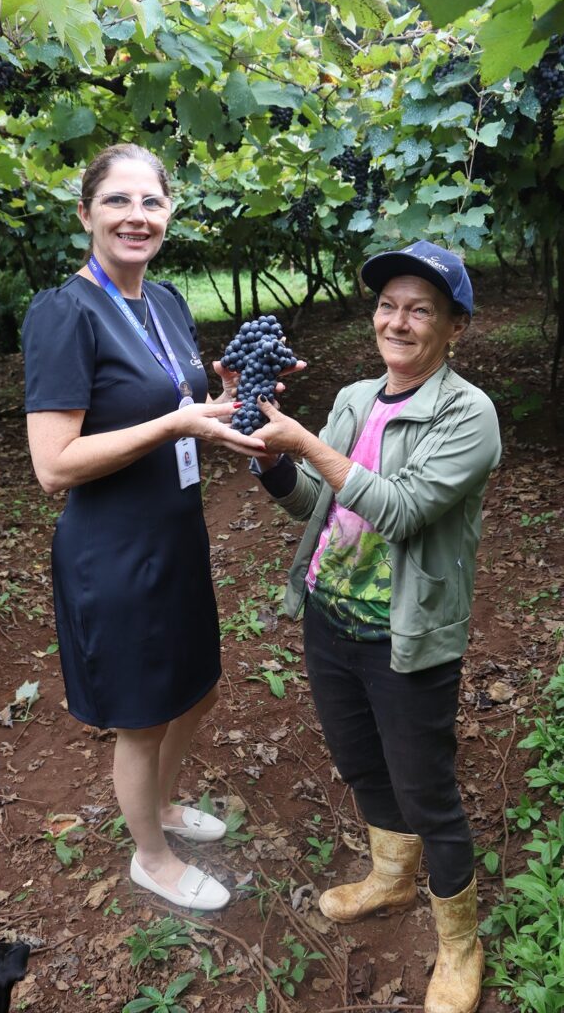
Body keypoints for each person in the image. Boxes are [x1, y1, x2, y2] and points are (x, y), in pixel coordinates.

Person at [249, 241, 501, 1013]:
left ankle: (459, 943)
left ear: (453, 325)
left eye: (419, 308)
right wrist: (269, 461)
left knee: (426, 792)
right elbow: (322, 505)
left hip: (406, 637)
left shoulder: (468, 414)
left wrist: (308, 444)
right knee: (360, 764)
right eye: (388, 304)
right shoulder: (357, 397)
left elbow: (395, 509)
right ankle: (391, 879)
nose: (397, 320)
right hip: (330, 618)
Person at [22, 143, 268, 912]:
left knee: (195, 690)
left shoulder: (162, 300)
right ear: (86, 213)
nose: (137, 216)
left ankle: (162, 807)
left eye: (151, 202)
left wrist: (219, 400)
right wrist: (171, 425)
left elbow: (174, 399)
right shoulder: (65, 313)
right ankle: (151, 857)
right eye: (118, 201)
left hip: (176, 532)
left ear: (169, 213)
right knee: (142, 712)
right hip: (113, 548)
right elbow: (54, 465)